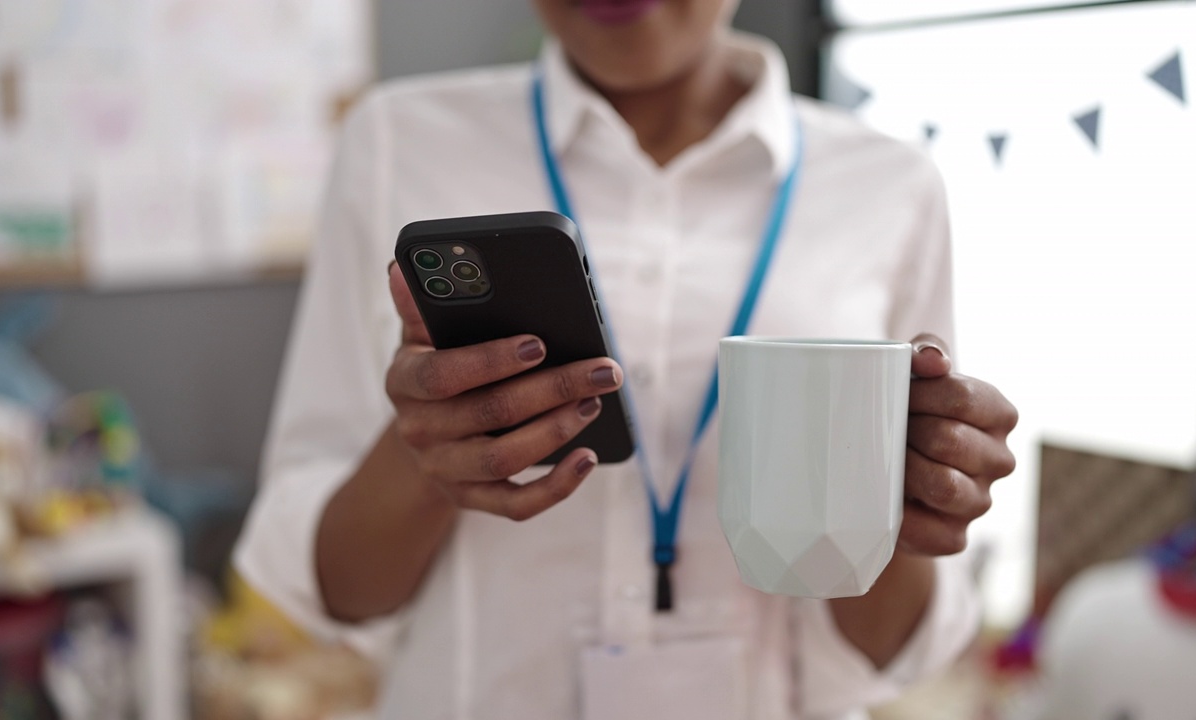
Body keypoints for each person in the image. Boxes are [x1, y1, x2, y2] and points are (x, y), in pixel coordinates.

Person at [235, 0, 1019, 718]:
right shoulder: (399, 142)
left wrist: (907, 496)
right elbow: (336, 588)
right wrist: (426, 459)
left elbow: (893, 644)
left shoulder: (889, 186)